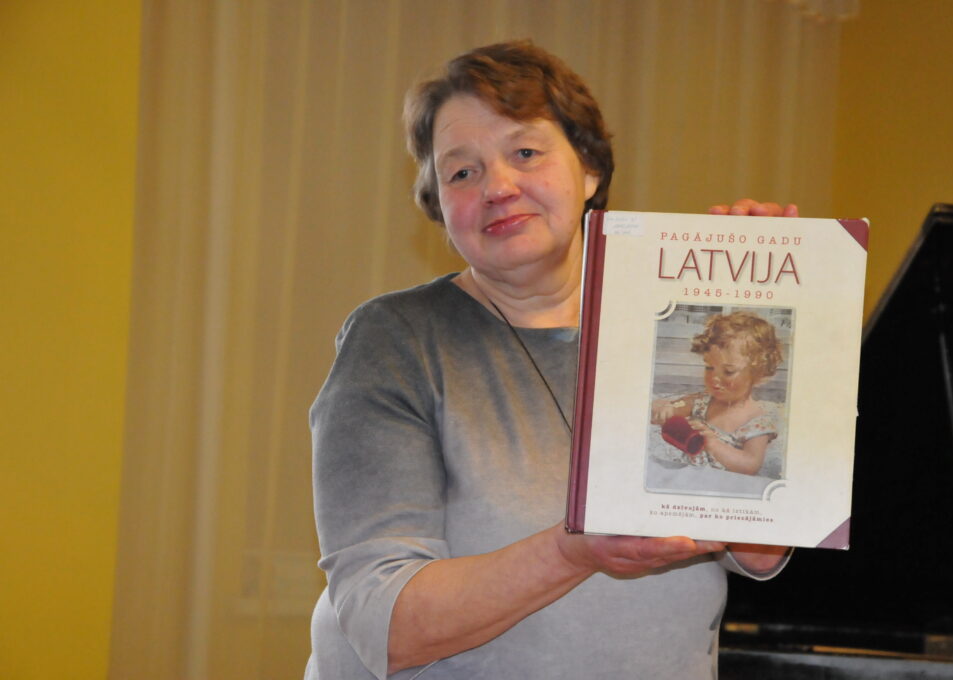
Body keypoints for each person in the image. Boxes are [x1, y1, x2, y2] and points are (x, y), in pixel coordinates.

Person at [305, 41, 792, 680]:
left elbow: (759, 547)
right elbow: (385, 625)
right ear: (439, 205)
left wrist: (770, 295)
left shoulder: (675, 329)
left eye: (525, 153)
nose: (497, 187)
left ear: (589, 169)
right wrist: (572, 552)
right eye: (461, 172)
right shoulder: (397, 340)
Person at [651, 311, 784, 476]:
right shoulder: (702, 401)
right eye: (709, 367)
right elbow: (675, 406)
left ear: (758, 375)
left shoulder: (758, 422)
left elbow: (751, 465)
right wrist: (665, 408)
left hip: (726, 486)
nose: (714, 378)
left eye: (728, 372)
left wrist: (713, 444)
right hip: (690, 479)